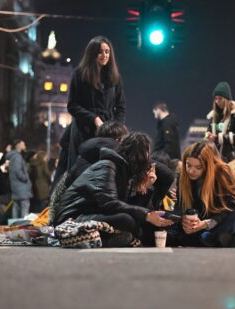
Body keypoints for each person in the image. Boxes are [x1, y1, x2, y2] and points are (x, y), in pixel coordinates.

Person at [53, 132, 173, 246]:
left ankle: (121, 238)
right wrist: (146, 215)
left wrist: (145, 188)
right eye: (145, 155)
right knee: (127, 220)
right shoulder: (107, 166)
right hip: (72, 217)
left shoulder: (125, 171)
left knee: (142, 223)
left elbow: (125, 205)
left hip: (93, 213)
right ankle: (112, 240)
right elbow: (109, 203)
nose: (148, 161)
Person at [56, 35, 126, 181]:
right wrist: (93, 119)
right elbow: (72, 105)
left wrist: (117, 129)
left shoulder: (115, 77)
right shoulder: (79, 74)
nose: (104, 55)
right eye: (100, 52)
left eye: (107, 52)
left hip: (107, 132)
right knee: (80, 173)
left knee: (105, 175)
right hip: (83, 130)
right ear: (92, 53)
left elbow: (120, 107)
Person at [176, 141, 235, 247]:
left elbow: (231, 206)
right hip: (198, 227)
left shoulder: (222, 173)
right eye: (188, 165)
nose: (191, 171)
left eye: (198, 167)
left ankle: (210, 239)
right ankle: (213, 239)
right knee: (166, 219)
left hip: (220, 222)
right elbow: (179, 207)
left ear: (209, 166)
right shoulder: (183, 176)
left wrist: (205, 224)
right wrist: (183, 221)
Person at [205, 81, 235, 162]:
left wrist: (220, 138)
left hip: (232, 158)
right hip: (215, 158)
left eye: (220, 98)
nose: (217, 101)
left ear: (226, 99)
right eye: (216, 98)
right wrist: (208, 135)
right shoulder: (213, 116)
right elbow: (209, 131)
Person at [5, 140, 33, 219]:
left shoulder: (14, 157)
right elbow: (18, 171)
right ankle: (23, 224)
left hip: (16, 186)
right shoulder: (17, 157)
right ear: (18, 145)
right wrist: (25, 178)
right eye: (23, 144)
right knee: (25, 205)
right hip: (21, 186)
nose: (25, 146)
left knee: (16, 205)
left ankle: (14, 224)